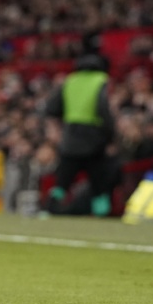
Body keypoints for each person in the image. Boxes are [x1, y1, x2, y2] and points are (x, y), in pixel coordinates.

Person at [44, 53, 116, 216]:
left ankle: (49, 209)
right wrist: (110, 136)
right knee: (99, 182)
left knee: (63, 180)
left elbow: (52, 107)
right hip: (94, 138)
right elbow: (104, 110)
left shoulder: (70, 81)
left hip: (70, 137)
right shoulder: (101, 80)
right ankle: (102, 214)